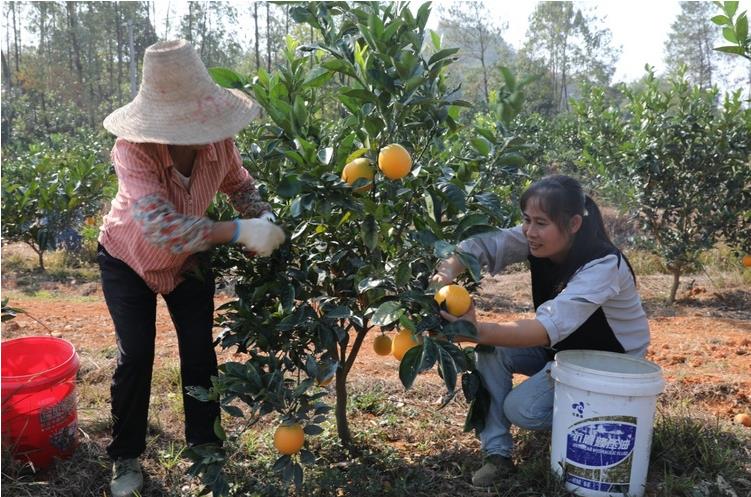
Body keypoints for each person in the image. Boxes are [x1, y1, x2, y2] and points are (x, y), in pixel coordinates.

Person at [98, 39, 285, 497]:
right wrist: (237, 231)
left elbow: (239, 184)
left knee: (199, 354)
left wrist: (260, 215)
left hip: (188, 262)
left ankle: (206, 449)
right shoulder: (132, 150)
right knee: (137, 355)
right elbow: (161, 228)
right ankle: (126, 458)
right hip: (128, 258)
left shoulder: (220, 143)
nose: (197, 129)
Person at [432, 174, 650, 487]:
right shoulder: (540, 240)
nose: (530, 232)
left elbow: (547, 327)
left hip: (608, 366)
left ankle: (608, 418)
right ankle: (497, 455)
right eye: (526, 220)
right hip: (564, 350)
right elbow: (482, 245)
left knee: (522, 409)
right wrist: (446, 274)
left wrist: (477, 331)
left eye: (540, 223)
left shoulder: (603, 265)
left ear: (573, 224)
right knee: (491, 351)